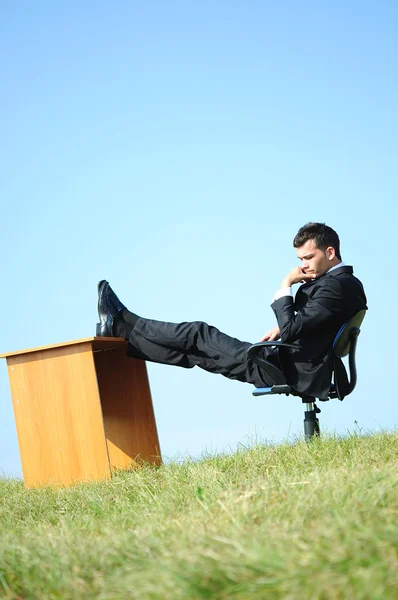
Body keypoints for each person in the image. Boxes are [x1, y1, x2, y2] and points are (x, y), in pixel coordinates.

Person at [97, 222, 367, 399]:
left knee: (198, 333)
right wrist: (290, 325)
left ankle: (124, 321)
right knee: (198, 355)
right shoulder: (344, 284)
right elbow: (317, 322)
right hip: (294, 363)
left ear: (330, 252)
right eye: (300, 260)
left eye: (309, 258)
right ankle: (127, 340)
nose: (303, 266)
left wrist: (285, 286)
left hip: (290, 368)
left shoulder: (335, 287)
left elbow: (292, 329)